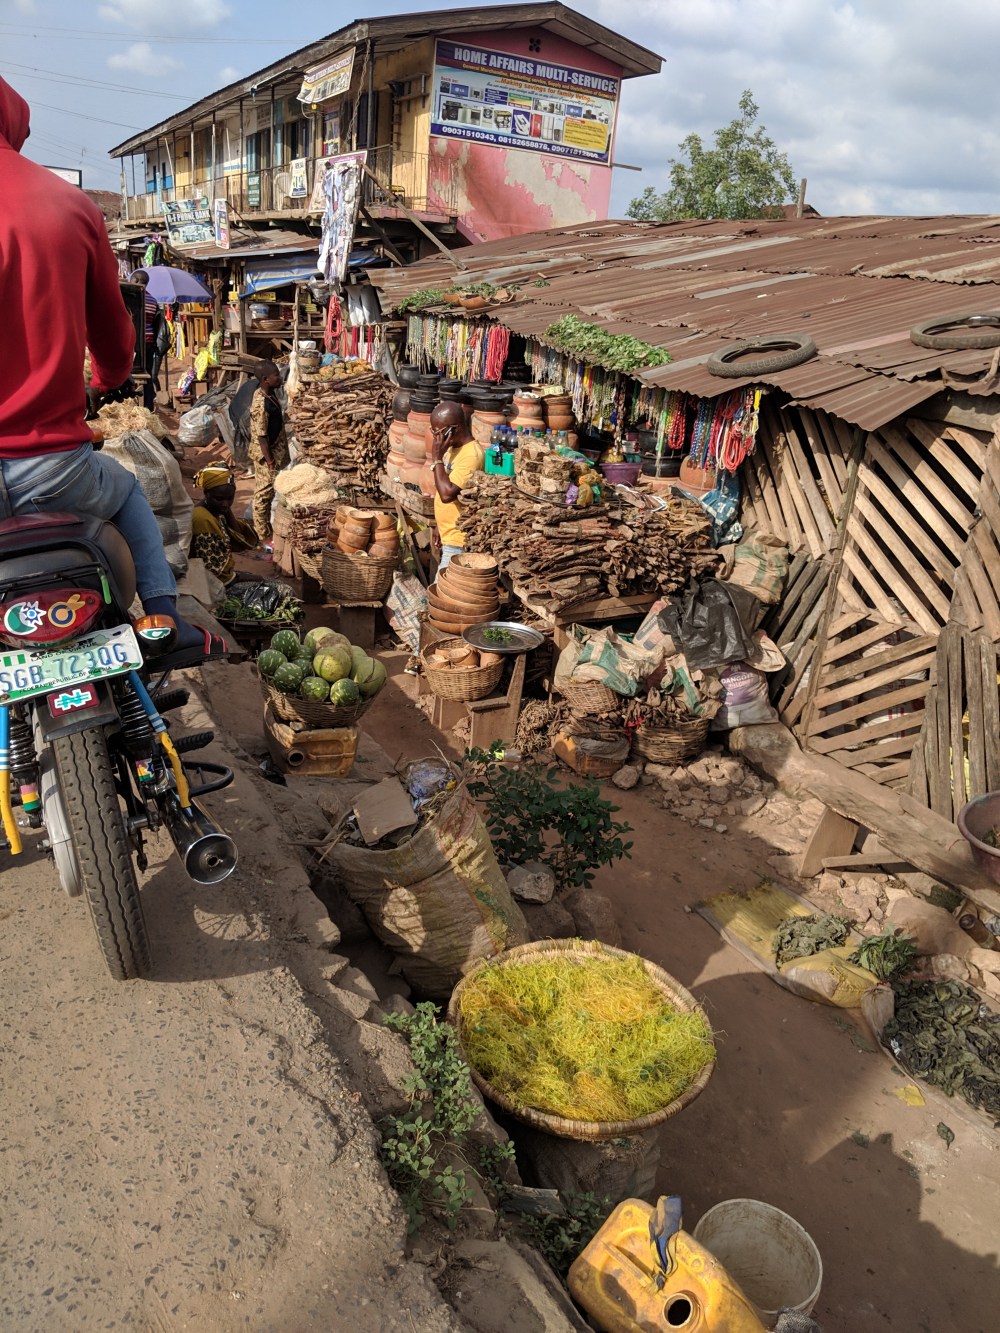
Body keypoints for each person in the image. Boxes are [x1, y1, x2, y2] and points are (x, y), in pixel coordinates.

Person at [0, 75, 217, 660]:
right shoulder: (70, 206)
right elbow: (117, 344)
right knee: (126, 490)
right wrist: (106, 380)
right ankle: (165, 618)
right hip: (52, 470)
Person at [429, 400, 484, 570]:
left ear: (453, 429)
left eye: (438, 433)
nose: (436, 438)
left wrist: (437, 458)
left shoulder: (472, 455)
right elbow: (445, 482)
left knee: (443, 586)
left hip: (459, 539)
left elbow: (447, 494)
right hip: (448, 535)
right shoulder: (452, 448)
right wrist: (440, 525)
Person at [190, 464, 258, 586]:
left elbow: (241, 541)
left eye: (230, 498)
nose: (226, 504)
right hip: (209, 584)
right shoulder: (203, 519)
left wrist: (226, 510)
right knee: (280, 589)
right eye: (219, 498)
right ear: (206, 493)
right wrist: (247, 578)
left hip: (223, 575)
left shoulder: (217, 511)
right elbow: (215, 572)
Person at [246, 361, 289, 545]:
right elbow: (262, 437)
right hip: (266, 455)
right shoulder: (261, 404)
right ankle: (262, 535)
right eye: (276, 375)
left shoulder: (268, 393)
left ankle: (266, 530)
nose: (280, 378)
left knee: (269, 492)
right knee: (263, 494)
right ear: (265, 379)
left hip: (273, 450)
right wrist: (270, 462)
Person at [130, 270, 159, 412]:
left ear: (135, 281)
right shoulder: (153, 300)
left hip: (133, 343)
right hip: (149, 343)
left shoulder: (130, 299)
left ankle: (131, 406)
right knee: (147, 374)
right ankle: (148, 407)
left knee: (129, 374)